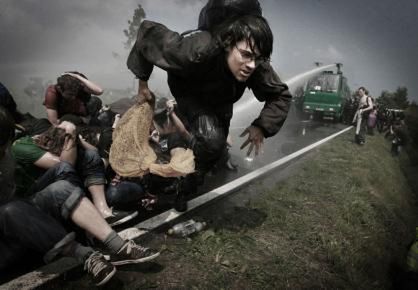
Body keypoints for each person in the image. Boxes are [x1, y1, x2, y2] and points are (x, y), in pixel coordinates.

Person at [0, 107, 160, 285]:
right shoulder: (22, 146)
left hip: (23, 202)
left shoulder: (8, 154)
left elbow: (95, 157)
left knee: (61, 187)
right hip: (7, 223)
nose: (5, 152)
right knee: (11, 210)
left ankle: (119, 245)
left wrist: (73, 137)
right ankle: (87, 255)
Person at [127, 13, 292, 184]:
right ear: (228, 43)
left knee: (214, 147)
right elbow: (148, 32)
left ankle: (190, 181)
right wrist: (143, 83)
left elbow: (280, 95)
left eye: (258, 59)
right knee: (210, 139)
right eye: (246, 54)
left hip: (222, 99)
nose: (252, 65)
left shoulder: (257, 65)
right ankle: (178, 161)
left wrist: (262, 126)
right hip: (188, 91)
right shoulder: (193, 50)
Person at [11, 121, 137, 226]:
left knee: (91, 156)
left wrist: (75, 136)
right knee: (114, 194)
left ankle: (103, 210)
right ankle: (91, 221)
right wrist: (70, 135)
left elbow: (94, 153)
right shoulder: (22, 146)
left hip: (76, 185)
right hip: (36, 196)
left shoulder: (58, 138)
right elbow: (66, 165)